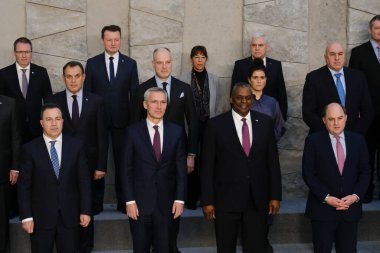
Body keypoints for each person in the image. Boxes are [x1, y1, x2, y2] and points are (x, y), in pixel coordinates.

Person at [130, 47, 198, 253]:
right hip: (149, 164)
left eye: (167, 62)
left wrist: (191, 154)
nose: (164, 66)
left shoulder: (183, 87)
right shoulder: (142, 89)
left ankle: (171, 246)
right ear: (153, 64)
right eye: (159, 62)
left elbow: (193, 124)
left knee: (170, 215)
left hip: (175, 159)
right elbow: (134, 124)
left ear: (172, 63)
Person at [201, 83, 282, 253]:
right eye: (239, 97)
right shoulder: (215, 126)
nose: (243, 101)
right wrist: (207, 200)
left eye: (248, 97)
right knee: (226, 248)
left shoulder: (265, 123)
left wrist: (275, 195)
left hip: (257, 199)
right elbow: (207, 166)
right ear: (232, 99)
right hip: (226, 200)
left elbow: (273, 163)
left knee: (256, 248)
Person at [47, 61, 108, 253]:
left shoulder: (96, 101)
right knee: (66, 206)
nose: (73, 80)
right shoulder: (54, 100)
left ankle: (85, 247)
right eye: (69, 76)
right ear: (63, 77)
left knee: (86, 207)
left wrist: (101, 166)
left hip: (89, 167)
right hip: (61, 166)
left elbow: (102, 136)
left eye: (77, 76)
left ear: (84, 77)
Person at [18, 103, 92, 253]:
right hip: (40, 219)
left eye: (58, 119)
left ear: (63, 121)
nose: (54, 123)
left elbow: (84, 181)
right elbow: (24, 186)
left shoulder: (76, 146)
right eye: (49, 119)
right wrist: (26, 216)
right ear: (41, 123)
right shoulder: (29, 149)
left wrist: (85, 210)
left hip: (70, 217)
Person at [121, 87, 187, 253]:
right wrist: (129, 201)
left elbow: (180, 168)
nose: (159, 106)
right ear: (145, 105)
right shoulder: (132, 132)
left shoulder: (177, 132)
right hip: (140, 204)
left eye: (163, 102)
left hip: (168, 204)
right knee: (141, 248)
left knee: (165, 248)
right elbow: (125, 169)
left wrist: (180, 199)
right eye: (154, 102)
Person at [84, 25, 139, 213]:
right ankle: (96, 203)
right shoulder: (92, 64)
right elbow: (88, 95)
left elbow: (135, 96)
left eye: (116, 39)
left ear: (120, 40)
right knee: (97, 161)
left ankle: (124, 202)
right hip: (97, 122)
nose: (113, 43)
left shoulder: (130, 64)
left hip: (122, 123)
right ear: (103, 40)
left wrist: (134, 123)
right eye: (109, 39)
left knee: (123, 162)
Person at [302, 102, 370, 253]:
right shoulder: (313, 141)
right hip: (322, 210)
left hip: (349, 209)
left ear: (346, 118)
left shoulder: (358, 140)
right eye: (331, 119)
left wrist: (355, 196)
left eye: (340, 118)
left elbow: (365, 172)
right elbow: (308, 174)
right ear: (324, 120)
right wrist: (327, 198)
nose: (336, 123)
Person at [0, 36, 52, 218]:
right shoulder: (4, 74)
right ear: (15, 53)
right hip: (11, 134)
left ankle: (37, 206)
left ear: (31, 52)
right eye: (20, 52)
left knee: (38, 169)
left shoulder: (41, 72)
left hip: (38, 132)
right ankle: (15, 208)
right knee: (15, 171)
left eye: (27, 52)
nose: (24, 55)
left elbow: (49, 102)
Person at [177, 45, 219, 209]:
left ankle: (206, 197)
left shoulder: (215, 79)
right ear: (191, 59)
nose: (199, 60)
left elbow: (218, 103)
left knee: (208, 161)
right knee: (190, 161)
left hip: (209, 124)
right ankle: (191, 198)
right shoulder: (182, 79)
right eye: (196, 57)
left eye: (202, 57)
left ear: (206, 59)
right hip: (190, 126)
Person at [302, 42, 373, 135]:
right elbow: (308, 113)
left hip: (353, 137)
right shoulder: (314, 78)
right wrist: (329, 134)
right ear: (325, 57)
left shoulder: (358, 77)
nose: (337, 58)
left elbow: (368, 110)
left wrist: (356, 134)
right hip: (324, 137)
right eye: (332, 54)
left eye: (340, 54)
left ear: (344, 56)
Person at [349, 15, 380, 203]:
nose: (379, 31)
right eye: (376, 28)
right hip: (368, 114)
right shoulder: (359, 52)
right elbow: (353, 84)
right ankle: (366, 192)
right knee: (366, 155)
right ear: (370, 30)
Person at [231, 32, 287, 121]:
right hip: (246, 117)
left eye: (260, 45)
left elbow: (281, 93)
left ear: (266, 47)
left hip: (270, 116)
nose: (257, 48)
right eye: (254, 45)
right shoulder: (240, 65)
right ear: (250, 47)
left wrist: (282, 118)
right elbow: (233, 94)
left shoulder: (276, 65)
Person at [0, 95, 21, 253]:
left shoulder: (9, 103)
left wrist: (15, 167)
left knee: (1, 217)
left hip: (3, 170)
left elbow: (15, 137)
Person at [247, 58, 285, 141]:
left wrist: (269, 140)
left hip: (267, 148)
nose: (259, 81)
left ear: (266, 79)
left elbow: (280, 127)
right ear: (249, 80)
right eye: (255, 77)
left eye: (262, 77)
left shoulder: (272, 102)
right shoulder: (243, 101)